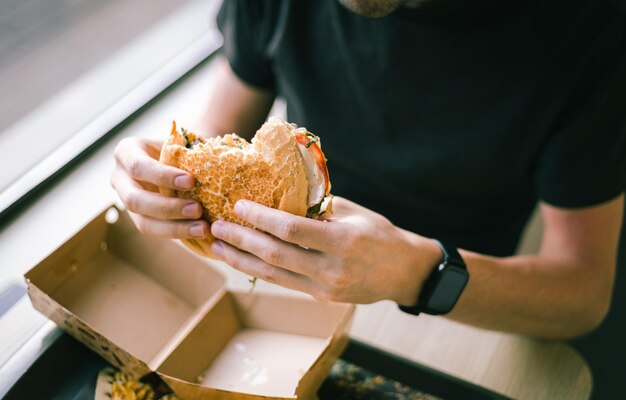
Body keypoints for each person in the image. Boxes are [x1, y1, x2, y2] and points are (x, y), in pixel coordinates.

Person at [111, 0, 625, 350]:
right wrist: (168, 178)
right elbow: (224, 122)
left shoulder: (594, 27)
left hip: (461, 313)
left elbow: (582, 292)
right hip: (275, 307)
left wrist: (414, 273)